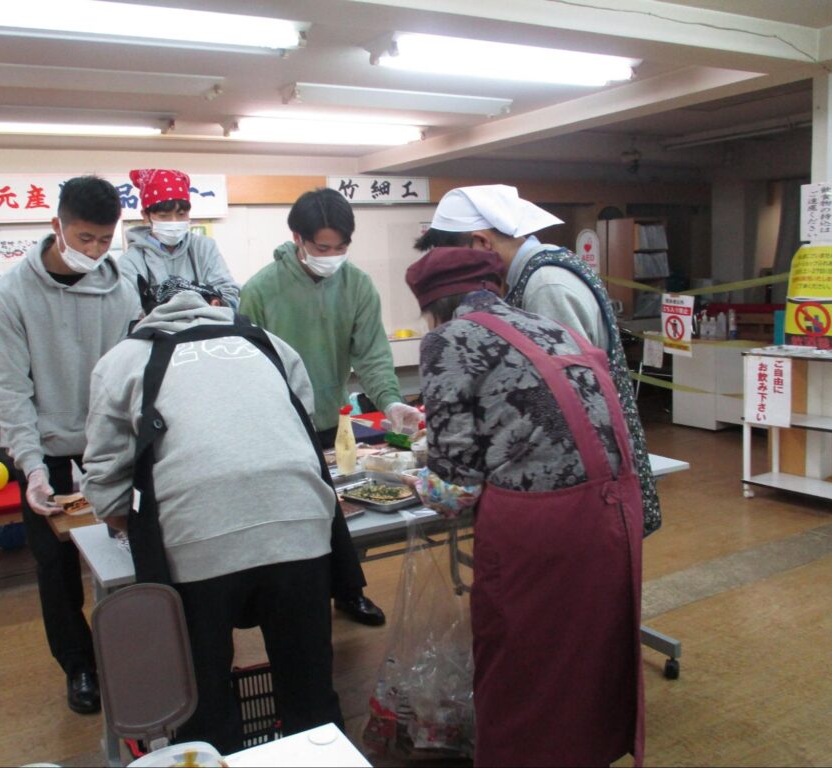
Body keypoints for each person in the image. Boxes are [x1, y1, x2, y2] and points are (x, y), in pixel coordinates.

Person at [404, 247, 645, 767]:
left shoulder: (448, 338)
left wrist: (414, 480)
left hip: (543, 524)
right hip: (612, 507)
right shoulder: (550, 327)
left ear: (432, 306)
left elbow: (457, 488)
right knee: (588, 657)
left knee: (522, 667)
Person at [82, 277, 343, 752]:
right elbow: (303, 424)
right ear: (216, 305)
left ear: (145, 316)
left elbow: (105, 477)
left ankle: (214, 750)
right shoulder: (269, 343)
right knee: (309, 693)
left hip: (194, 536)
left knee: (203, 703)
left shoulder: (120, 361)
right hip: (301, 522)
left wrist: (130, 523)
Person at [415, 184, 661, 536]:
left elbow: (566, 401)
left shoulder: (545, 283)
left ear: (483, 244)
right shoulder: (535, 271)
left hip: (576, 490)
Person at [0, 175, 141, 715]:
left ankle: (143, 646)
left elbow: (131, 376)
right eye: (83, 238)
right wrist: (30, 467)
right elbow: (11, 389)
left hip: (109, 442)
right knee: (54, 566)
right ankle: (79, 666)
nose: (94, 251)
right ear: (56, 226)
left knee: (133, 544)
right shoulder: (12, 294)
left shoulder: (121, 289)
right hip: (47, 449)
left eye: (104, 240)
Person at [239, 187, 421, 626]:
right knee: (295, 519)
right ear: (297, 238)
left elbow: (372, 356)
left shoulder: (356, 284)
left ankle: (348, 591)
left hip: (333, 421)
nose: (333, 256)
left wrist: (392, 402)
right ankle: (300, 609)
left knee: (340, 511)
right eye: (323, 248)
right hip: (277, 425)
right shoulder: (261, 289)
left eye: (341, 247)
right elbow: (249, 367)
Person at [119, 168, 240, 312]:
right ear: (146, 215)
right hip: (157, 332)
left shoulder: (203, 247)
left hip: (206, 329)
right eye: (164, 216)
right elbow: (130, 310)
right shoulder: (131, 261)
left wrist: (219, 302)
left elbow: (229, 292)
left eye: (181, 214)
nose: (174, 222)